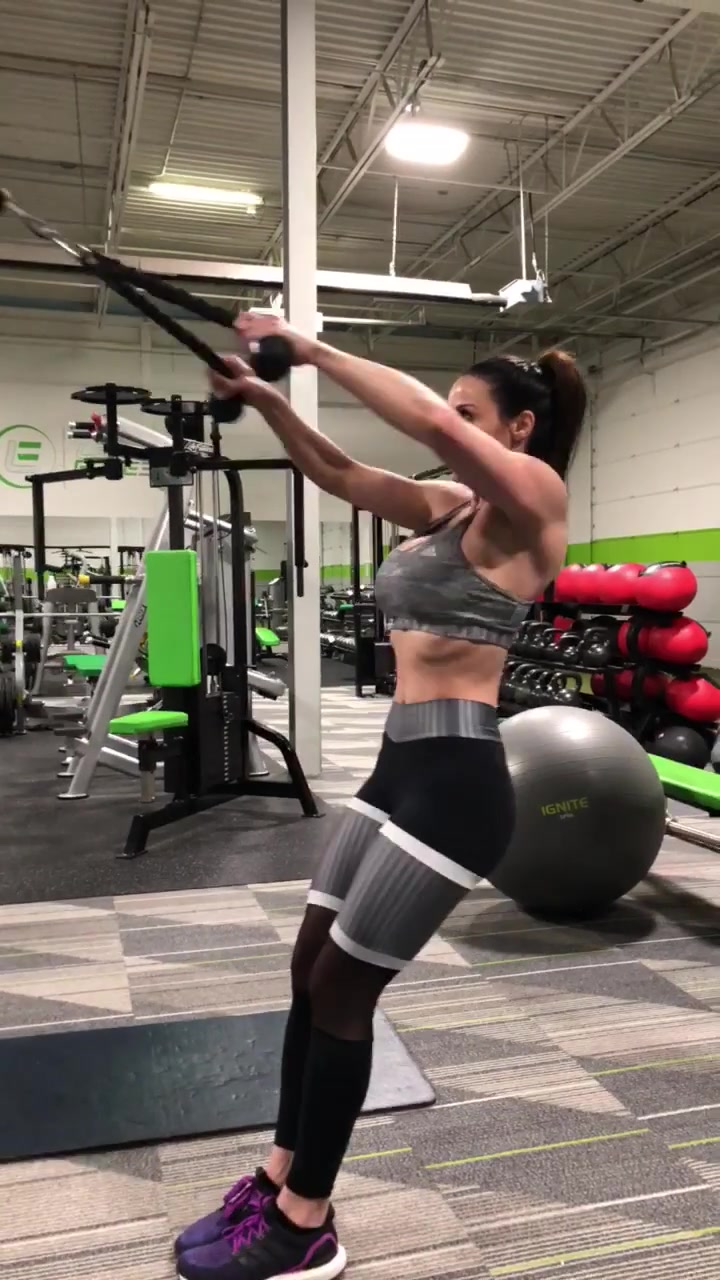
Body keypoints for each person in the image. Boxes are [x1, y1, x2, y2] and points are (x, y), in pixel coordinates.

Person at [175, 317, 587, 1280]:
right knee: (308, 970)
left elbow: (426, 425)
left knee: (343, 992)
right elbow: (341, 473)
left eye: (468, 412)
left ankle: (306, 1225)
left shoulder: (534, 496)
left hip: (457, 786)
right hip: (397, 769)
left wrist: (311, 351)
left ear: (519, 427)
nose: (448, 421)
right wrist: (269, 399)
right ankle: (280, 1172)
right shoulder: (448, 508)